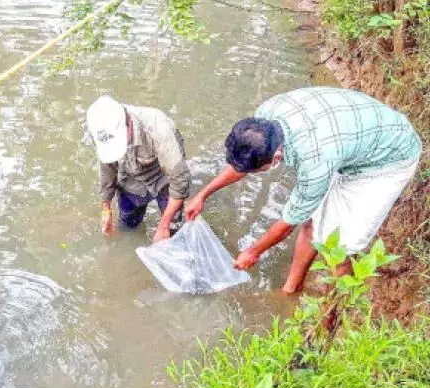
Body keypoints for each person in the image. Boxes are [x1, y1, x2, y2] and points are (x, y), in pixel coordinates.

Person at [185, 87, 422, 294]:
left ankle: (331, 314)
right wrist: (203, 195)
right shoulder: (265, 119)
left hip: (385, 162)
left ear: (276, 157)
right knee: (313, 221)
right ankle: (291, 289)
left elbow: (289, 220)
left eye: (258, 171)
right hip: (350, 136)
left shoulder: (314, 161)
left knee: (339, 248)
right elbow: (243, 164)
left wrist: (254, 251)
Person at [86, 95, 191, 242]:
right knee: (127, 227)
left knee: (173, 230)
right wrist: (106, 207)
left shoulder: (158, 129)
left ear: (127, 124)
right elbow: (107, 166)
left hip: (163, 179)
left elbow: (180, 180)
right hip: (130, 179)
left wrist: (163, 226)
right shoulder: (99, 128)